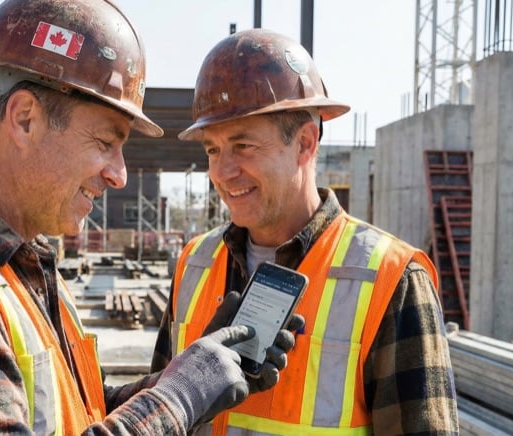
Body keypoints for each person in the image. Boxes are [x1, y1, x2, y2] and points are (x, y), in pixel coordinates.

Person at [0, 2, 299, 434]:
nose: (119, 175)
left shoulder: (16, 265)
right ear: (24, 119)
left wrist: (194, 374)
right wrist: (181, 395)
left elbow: (83, 414)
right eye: (105, 142)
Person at [150, 28, 459, 435]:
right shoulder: (195, 263)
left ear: (305, 144)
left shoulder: (391, 279)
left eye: (243, 146)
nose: (222, 172)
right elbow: (158, 414)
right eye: (213, 149)